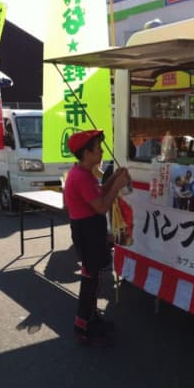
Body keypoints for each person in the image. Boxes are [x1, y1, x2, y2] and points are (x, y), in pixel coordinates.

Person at [63, 129, 130, 347]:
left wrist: (113, 179)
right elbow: (101, 206)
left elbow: (99, 192)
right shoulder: (81, 176)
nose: (101, 152)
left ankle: (91, 318)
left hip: (90, 229)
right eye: (98, 149)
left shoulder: (85, 173)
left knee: (95, 277)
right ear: (86, 153)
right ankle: (83, 325)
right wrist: (118, 185)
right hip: (87, 230)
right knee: (90, 279)